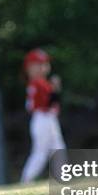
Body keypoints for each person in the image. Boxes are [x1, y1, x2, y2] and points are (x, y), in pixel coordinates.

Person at [21, 49, 67, 183]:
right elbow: (49, 102)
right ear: (29, 68)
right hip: (42, 118)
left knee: (58, 148)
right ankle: (26, 180)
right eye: (39, 64)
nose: (44, 67)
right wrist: (56, 89)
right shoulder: (38, 83)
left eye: (45, 63)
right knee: (41, 152)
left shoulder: (41, 83)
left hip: (47, 119)